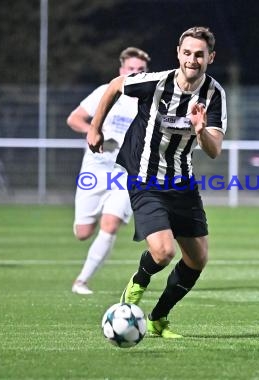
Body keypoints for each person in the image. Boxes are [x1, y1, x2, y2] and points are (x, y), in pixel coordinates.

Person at [87, 26, 227, 338]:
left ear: (211, 58)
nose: (192, 59)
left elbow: (214, 149)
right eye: (187, 53)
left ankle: (158, 318)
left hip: (182, 184)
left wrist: (200, 128)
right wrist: (94, 127)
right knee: (163, 253)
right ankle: (138, 282)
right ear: (178, 53)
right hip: (145, 179)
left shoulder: (214, 94)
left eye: (199, 55)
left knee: (197, 259)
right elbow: (113, 86)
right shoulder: (155, 82)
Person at [67, 47, 151, 295]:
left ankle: (81, 281)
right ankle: (87, 225)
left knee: (111, 224)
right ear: (121, 71)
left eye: (141, 70)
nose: (135, 73)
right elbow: (74, 119)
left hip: (125, 172)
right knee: (83, 233)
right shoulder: (106, 91)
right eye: (131, 69)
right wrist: (94, 132)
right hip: (95, 169)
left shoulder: (152, 101)